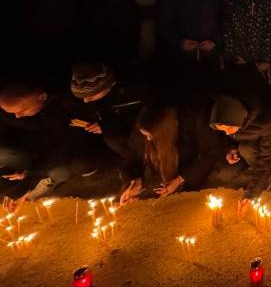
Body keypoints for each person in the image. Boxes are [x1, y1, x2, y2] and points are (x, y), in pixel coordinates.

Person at [0, 82, 96, 210]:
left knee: (62, 171)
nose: (17, 116)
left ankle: (44, 181)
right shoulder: (31, 112)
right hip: (39, 152)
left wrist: (27, 183)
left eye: (22, 111)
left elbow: (58, 149)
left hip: (66, 153)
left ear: (42, 97)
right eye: (12, 113)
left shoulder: (65, 107)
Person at [118, 102, 224, 204]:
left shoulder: (192, 122)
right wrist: (134, 180)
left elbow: (209, 154)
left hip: (188, 164)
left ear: (164, 131)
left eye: (151, 135)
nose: (149, 139)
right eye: (145, 135)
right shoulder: (144, 126)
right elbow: (133, 155)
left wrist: (180, 179)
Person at [157, 0, 223, 89]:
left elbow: (228, 19)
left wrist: (217, 40)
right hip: (186, 55)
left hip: (213, 54)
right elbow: (165, 23)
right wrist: (179, 41)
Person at [209, 94, 271, 209]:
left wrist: (250, 195)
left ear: (238, 119)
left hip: (257, 149)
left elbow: (267, 158)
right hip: (240, 149)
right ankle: (249, 167)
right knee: (225, 174)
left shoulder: (265, 124)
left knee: (246, 149)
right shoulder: (228, 123)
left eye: (229, 128)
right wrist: (230, 149)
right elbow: (225, 139)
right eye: (223, 130)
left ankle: (268, 175)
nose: (227, 133)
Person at [222, 0, 271, 98]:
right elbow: (228, 30)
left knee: (261, 93)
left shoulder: (264, 1)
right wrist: (233, 54)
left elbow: (270, 32)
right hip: (239, 59)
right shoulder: (231, 1)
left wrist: (266, 59)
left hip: (259, 60)